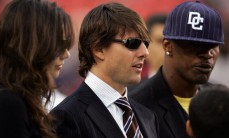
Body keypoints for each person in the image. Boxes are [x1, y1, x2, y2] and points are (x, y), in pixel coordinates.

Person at [50, 2, 158, 138]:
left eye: (146, 44)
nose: (145, 52)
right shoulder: (66, 117)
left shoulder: (147, 115)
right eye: (133, 43)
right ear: (98, 49)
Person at [129, 1, 224, 138]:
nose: (207, 53)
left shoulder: (221, 103)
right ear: (168, 46)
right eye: (195, 44)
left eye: (213, 45)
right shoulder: (134, 107)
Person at [0, 0, 75, 137]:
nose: (66, 54)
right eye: (58, 44)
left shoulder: (11, 97)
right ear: (32, 45)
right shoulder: (8, 103)